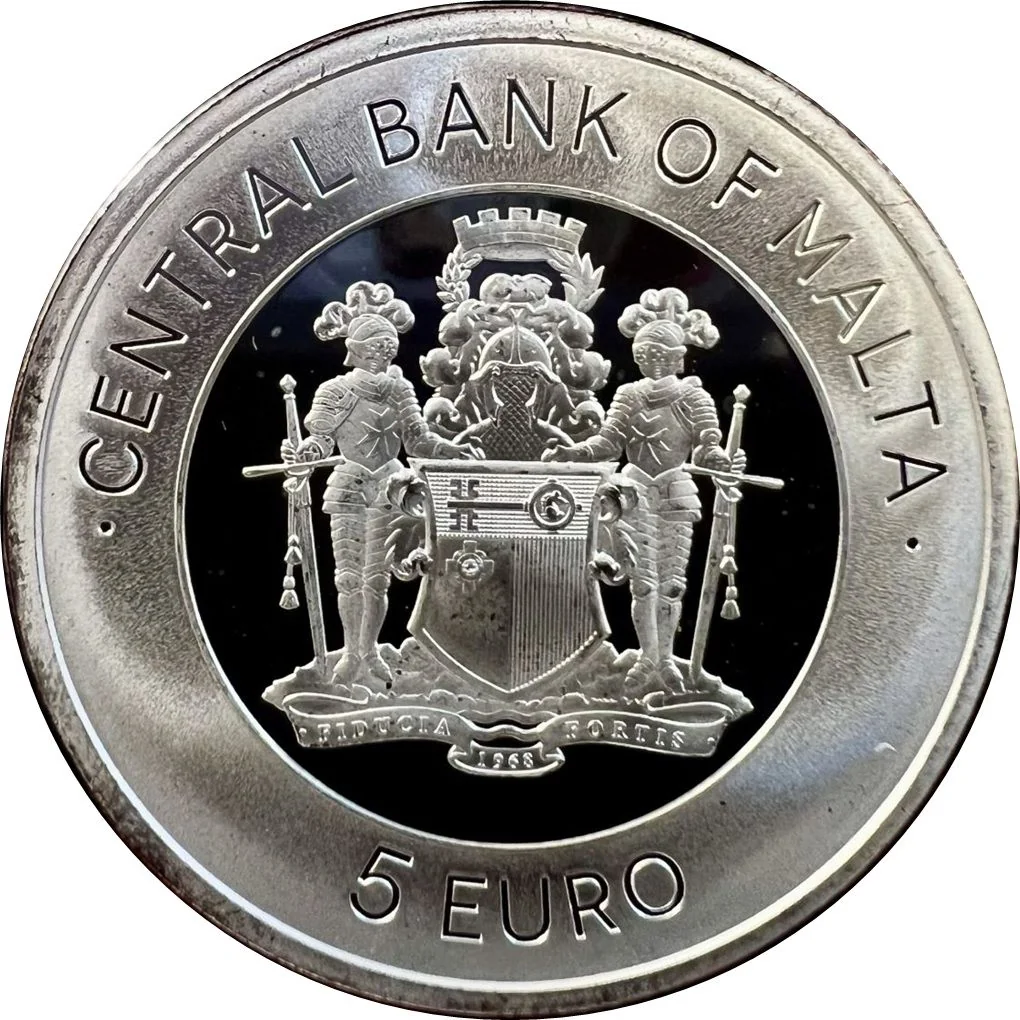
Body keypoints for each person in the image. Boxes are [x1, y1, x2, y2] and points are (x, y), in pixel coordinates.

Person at [543, 302, 743, 690]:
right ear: (637, 357)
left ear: (677, 357)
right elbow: (608, 443)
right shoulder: (628, 394)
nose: (653, 361)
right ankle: (648, 656)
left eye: (661, 354)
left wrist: (720, 460)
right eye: (645, 354)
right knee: (643, 583)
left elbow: (706, 447)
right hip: (633, 495)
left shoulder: (695, 398)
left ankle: (666, 659)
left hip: (675, 493)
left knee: (672, 585)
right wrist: (574, 452)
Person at [284, 289, 475, 685]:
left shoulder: (400, 390)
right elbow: (322, 440)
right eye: (373, 345)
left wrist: (453, 451)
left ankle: (369, 651)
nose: (382, 352)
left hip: (390, 486)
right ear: (354, 348)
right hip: (349, 485)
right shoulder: (335, 390)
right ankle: (350, 653)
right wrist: (305, 454)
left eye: (388, 346)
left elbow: (418, 440)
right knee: (348, 578)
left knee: (376, 579)